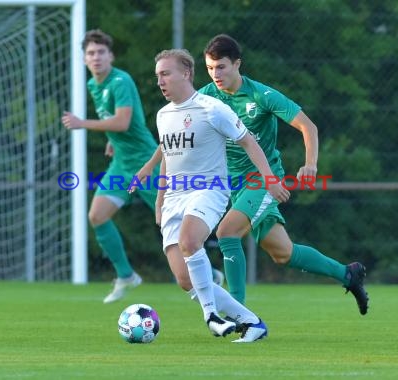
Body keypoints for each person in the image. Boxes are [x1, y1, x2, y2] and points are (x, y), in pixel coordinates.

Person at [199, 34, 369, 314]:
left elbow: (308, 127)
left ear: (237, 64)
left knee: (227, 233)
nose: (215, 74)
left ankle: (238, 313)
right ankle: (348, 274)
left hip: (265, 181)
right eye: (210, 68)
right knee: (283, 253)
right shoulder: (206, 96)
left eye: (221, 67)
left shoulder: (260, 95)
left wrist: (310, 163)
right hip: (234, 186)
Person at [153, 48, 290, 341]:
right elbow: (168, 156)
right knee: (184, 279)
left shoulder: (212, 108)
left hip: (208, 190)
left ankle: (211, 316)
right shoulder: (163, 115)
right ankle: (251, 321)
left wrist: (269, 180)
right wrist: (160, 197)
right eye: (158, 76)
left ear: (186, 73)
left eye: (166, 74)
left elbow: (249, 142)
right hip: (174, 198)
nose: (160, 81)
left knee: (191, 241)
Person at [61, 29, 158, 303]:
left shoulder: (120, 81)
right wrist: (112, 140)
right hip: (121, 164)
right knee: (97, 216)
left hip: (145, 164)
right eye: (91, 53)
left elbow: (123, 122)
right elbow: (115, 123)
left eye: (101, 52)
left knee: (170, 223)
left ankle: (208, 275)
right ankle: (126, 275)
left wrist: (83, 123)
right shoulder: (94, 84)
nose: (96, 57)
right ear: (84, 59)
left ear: (111, 56)